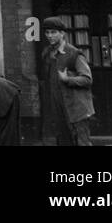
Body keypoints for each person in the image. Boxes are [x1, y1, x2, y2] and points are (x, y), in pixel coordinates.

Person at [39, 16, 94, 146]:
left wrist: (67, 79)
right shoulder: (47, 53)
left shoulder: (74, 54)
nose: (50, 36)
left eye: (53, 32)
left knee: (82, 142)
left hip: (76, 108)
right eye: (47, 32)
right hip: (58, 108)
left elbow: (87, 79)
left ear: (62, 33)